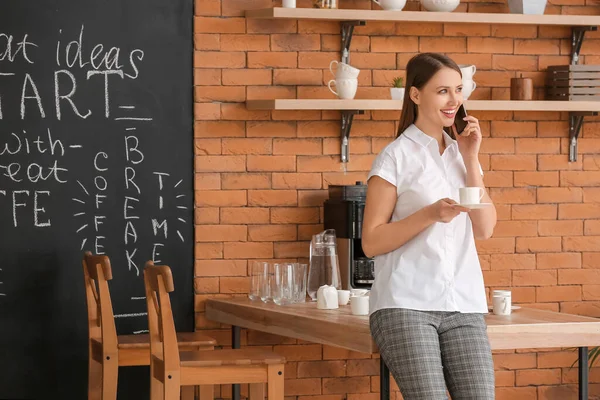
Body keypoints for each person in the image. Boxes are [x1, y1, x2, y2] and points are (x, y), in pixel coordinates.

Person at [362, 52, 497, 399]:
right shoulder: (395, 156)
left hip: (463, 304)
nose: (454, 100)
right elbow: (371, 241)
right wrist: (430, 215)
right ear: (416, 94)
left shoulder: (461, 153)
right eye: (443, 91)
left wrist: (470, 157)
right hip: (405, 304)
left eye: (459, 90)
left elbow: (485, 228)